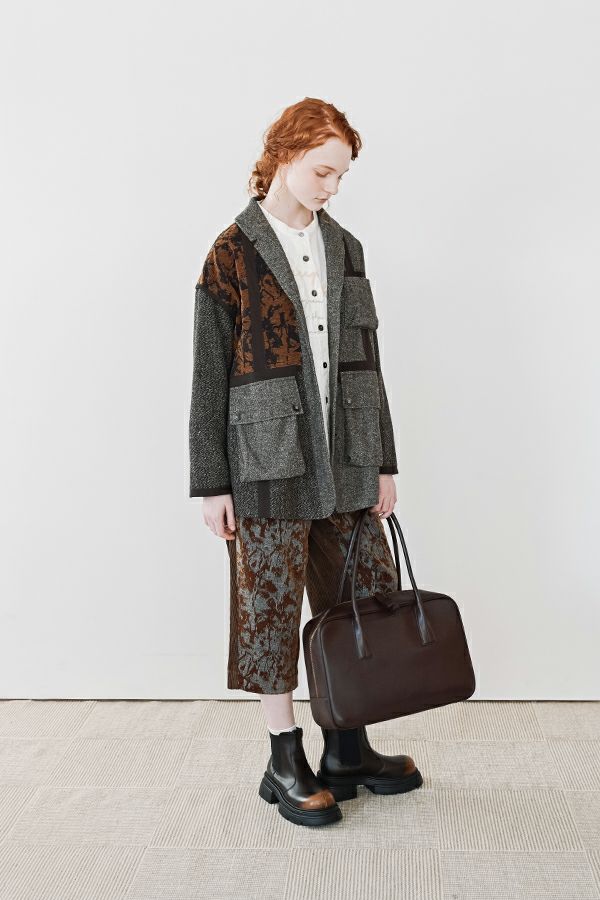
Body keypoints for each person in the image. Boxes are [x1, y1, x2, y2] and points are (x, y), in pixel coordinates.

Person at [189, 97, 423, 827]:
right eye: (323, 170)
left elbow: (367, 363)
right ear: (285, 155)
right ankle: (283, 757)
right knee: (270, 608)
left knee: (361, 599)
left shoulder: (346, 248)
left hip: (348, 458)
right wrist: (211, 482)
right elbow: (208, 376)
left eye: (341, 175)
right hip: (266, 464)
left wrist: (383, 461)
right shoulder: (231, 252)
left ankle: (347, 746)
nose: (331, 186)